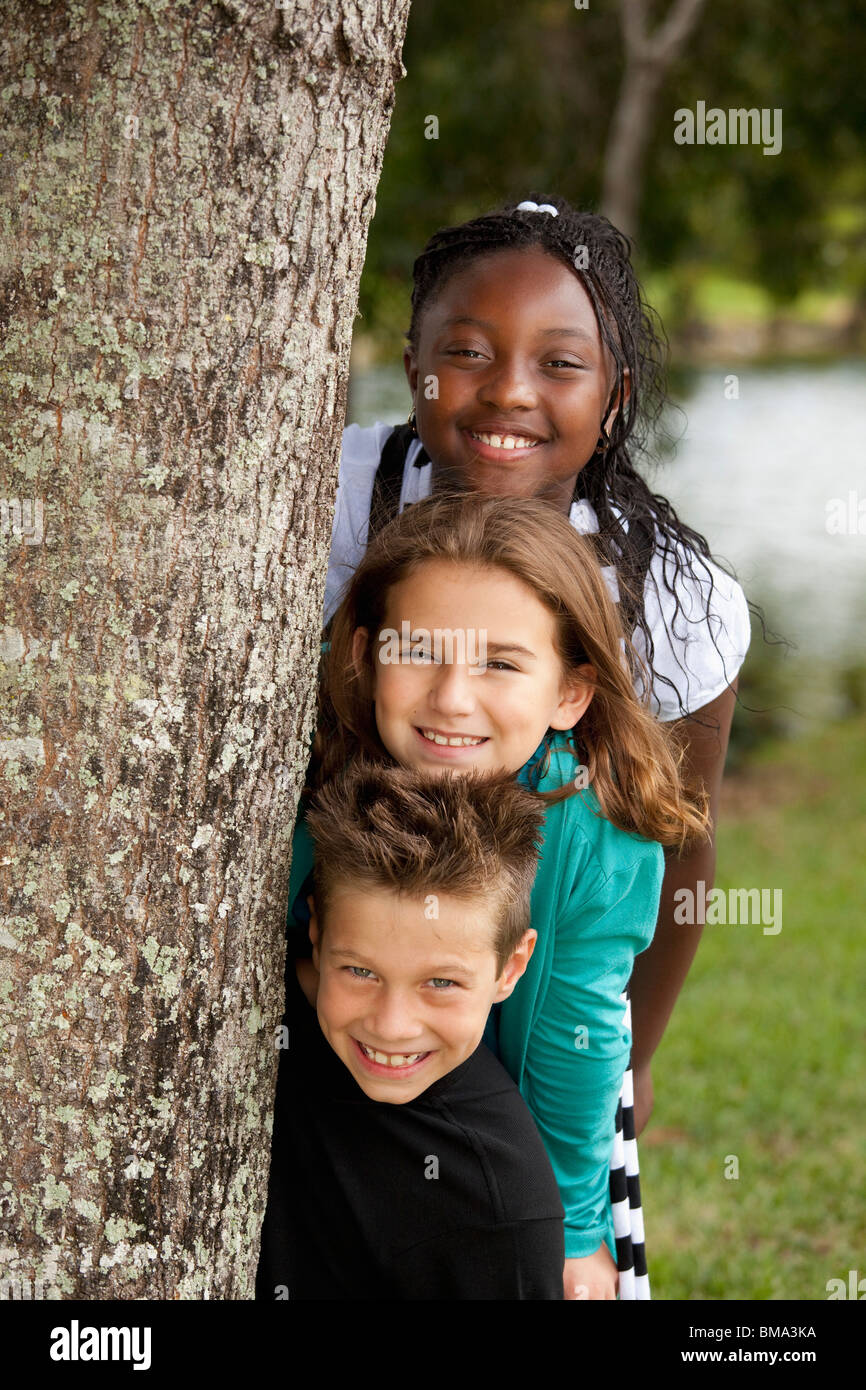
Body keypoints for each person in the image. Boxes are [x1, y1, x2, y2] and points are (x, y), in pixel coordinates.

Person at [325, 195, 751, 1151]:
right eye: (469, 352)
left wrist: (636, 1052)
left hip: (549, 999)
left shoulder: (673, 597)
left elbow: (685, 841)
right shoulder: (338, 498)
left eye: (560, 363)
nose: (510, 390)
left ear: (615, 398)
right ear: (413, 370)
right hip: (362, 995)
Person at [292, 490, 710, 1299]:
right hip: (355, 1055)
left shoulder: (597, 839)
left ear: (569, 694)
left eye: (500, 663)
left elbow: (576, 1035)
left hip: (529, 1105)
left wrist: (577, 1227)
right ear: (363, 655)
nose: (452, 698)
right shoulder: (314, 763)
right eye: (419, 651)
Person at [256, 760, 567, 1301]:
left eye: (441, 982)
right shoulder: (238, 995)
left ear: (509, 969)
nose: (391, 1026)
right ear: (317, 931)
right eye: (360, 971)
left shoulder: (499, 1213)